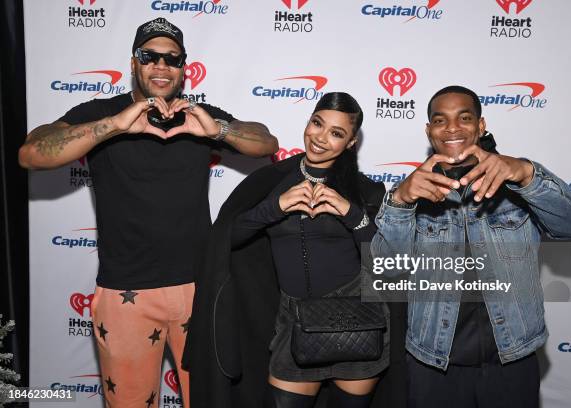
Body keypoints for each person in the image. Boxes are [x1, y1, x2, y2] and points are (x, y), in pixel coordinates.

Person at [18, 17, 278, 408]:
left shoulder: (197, 115)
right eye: (150, 56)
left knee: (210, 400)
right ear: (134, 62)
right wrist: (112, 126)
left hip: (199, 289)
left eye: (171, 59)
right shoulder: (101, 111)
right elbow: (31, 152)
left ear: (183, 67)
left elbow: (266, 142)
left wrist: (217, 131)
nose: (161, 66)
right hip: (126, 294)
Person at [371, 85, 571, 408]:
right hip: (434, 362)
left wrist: (527, 173)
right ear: (428, 130)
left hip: (512, 357)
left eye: (464, 118)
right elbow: (387, 270)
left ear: (481, 125)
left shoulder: (517, 181)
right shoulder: (412, 191)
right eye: (440, 120)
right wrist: (400, 202)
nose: (452, 129)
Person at [184, 92, 395, 407]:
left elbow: (387, 262)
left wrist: (352, 214)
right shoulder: (270, 181)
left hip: (357, 322)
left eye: (336, 133)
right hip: (292, 322)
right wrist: (273, 209)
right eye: (317, 123)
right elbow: (226, 241)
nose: (320, 138)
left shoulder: (365, 190)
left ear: (351, 143)